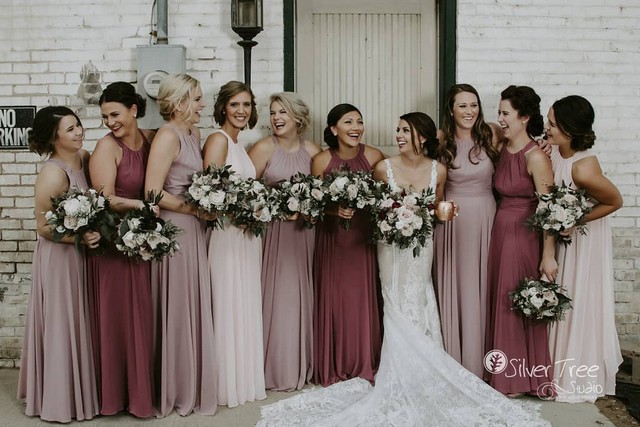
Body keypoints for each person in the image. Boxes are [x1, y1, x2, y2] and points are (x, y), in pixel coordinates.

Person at [256, 112, 550, 427]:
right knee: (394, 302)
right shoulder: (383, 168)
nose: (398, 135)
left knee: (420, 298)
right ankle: (398, 367)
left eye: (404, 130)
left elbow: (436, 209)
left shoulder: (440, 170)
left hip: (421, 246)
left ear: (421, 137)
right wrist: (393, 218)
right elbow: (375, 207)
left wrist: (444, 212)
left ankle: (426, 368)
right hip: (390, 246)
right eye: (397, 129)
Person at [18, 106, 101, 422]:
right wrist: (80, 238)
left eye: (78, 125)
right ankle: (59, 399)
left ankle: (85, 388)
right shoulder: (52, 173)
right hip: (60, 257)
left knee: (83, 319)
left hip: (83, 254)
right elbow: (43, 227)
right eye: (71, 129)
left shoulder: (85, 158)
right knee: (62, 323)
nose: (79, 131)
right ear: (54, 137)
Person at [144, 74, 217, 416]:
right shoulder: (167, 136)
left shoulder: (193, 132)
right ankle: (174, 386)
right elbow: (152, 193)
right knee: (178, 304)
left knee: (192, 302)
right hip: (176, 229)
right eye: (198, 99)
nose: (203, 104)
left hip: (195, 227)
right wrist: (195, 208)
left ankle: (191, 379)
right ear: (179, 102)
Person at [545, 95, 623, 402]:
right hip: (565, 236)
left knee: (578, 299)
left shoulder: (584, 169)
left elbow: (615, 201)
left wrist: (576, 219)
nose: (546, 128)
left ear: (569, 129)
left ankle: (577, 374)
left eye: (552, 124)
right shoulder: (553, 150)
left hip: (583, 240)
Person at [87, 81, 156, 417]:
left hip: (144, 242)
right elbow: (105, 199)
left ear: (133, 109)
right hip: (115, 246)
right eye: (104, 116)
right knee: (120, 321)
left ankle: (143, 393)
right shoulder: (106, 148)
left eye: (114, 114)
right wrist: (138, 204)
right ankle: (115, 398)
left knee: (144, 317)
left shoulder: (151, 140)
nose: (109, 121)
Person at [484, 85, 557, 398]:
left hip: (523, 236)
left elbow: (549, 211)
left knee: (516, 302)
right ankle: (502, 374)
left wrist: (548, 256)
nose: (499, 118)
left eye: (506, 113)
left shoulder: (536, 157)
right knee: (501, 299)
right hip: (500, 232)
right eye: (499, 112)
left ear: (524, 117)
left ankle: (517, 379)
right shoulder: (501, 147)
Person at [248, 92, 321, 391]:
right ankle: (271, 368)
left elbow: (320, 196)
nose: (276, 118)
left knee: (299, 296)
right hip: (272, 233)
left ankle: (297, 364)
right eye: (274, 113)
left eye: (283, 113)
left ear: (298, 118)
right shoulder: (264, 148)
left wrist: (308, 210)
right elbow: (244, 194)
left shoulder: (314, 151)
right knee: (274, 297)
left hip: (303, 235)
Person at [203, 80, 267, 407]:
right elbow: (209, 194)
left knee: (243, 300)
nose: (242, 111)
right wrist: (239, 211)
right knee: (226, 299)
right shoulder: (218, 140)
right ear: (223, 108)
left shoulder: (240, 145)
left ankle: (242, 378)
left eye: (247, 105)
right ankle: (222, 382)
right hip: (226, 233)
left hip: (246, 235)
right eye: (235, 105)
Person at [311, 103, 385, 387]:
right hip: (333, 240)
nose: (355, 127)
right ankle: (336, 363)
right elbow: (312, 204)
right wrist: (333, 211)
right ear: (333, 129)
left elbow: (394, 179)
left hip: (362, 239)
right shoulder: (321, 160)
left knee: (362, 299)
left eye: (359, 122)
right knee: (336, 300)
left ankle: (364, 360)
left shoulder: (375, 156)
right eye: (348, 122)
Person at [433, 84, 503, 377]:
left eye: (473, 105)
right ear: (451, 109)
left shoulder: (492, 133)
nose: (469, 111)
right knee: (456, 285)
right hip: (452, 222)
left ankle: (481, 362)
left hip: (486, 216)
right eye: (462, 106)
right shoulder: (440, 140)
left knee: (483, 286)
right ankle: (454, 361)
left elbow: (523, 146)